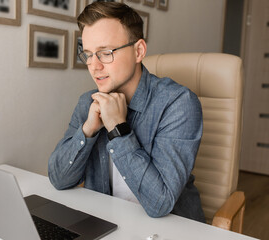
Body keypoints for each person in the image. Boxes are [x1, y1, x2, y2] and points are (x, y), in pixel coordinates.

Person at [48, 2, 205, 222]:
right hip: (105, 224)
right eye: (89, 54)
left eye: (105, 53)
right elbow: (58, 179)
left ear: (138, 51)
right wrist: (88, 130)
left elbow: (160, 203)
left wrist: (118, 128)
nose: (94, 66)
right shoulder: (88, 103)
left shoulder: (178, 104)